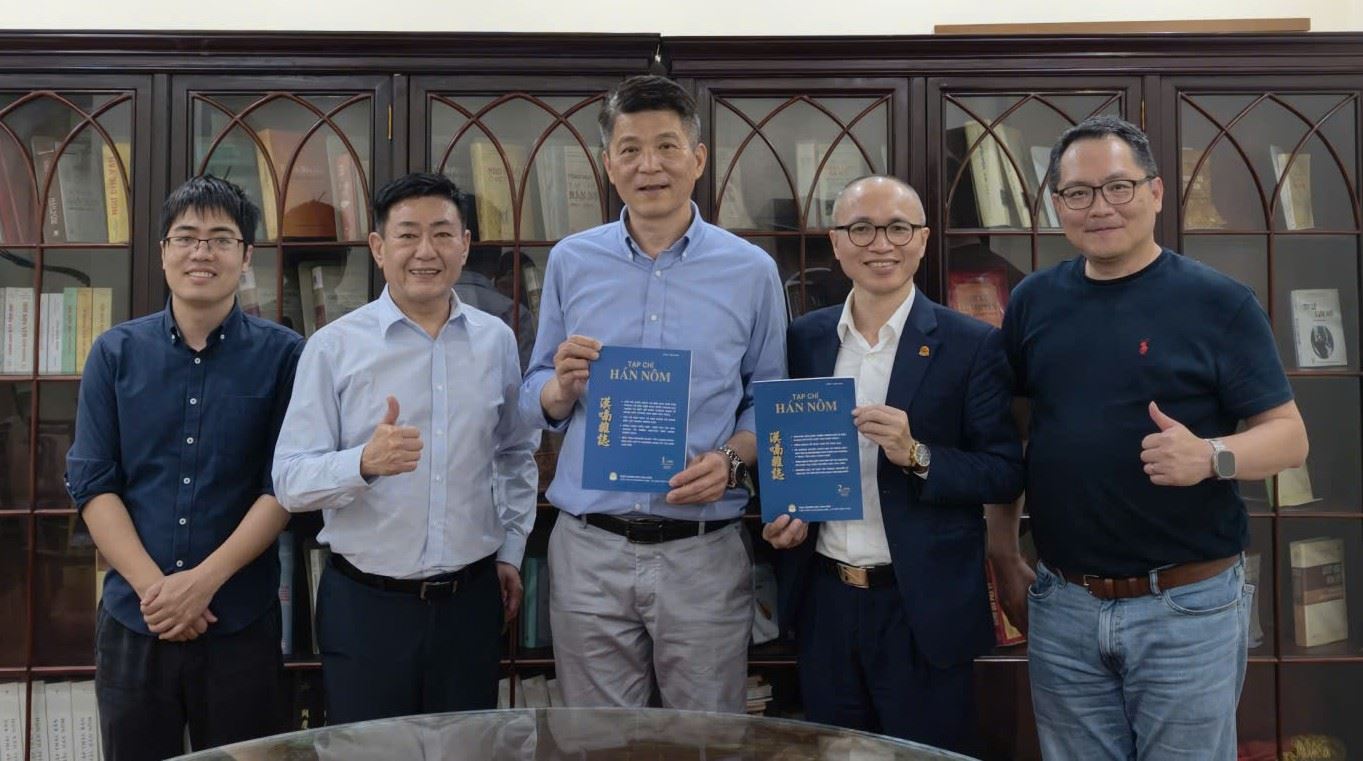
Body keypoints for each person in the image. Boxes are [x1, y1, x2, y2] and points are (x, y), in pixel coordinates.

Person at [989, 115, 1309, 760]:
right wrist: (1001, 554)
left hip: (1186, 607)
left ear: (1156, 192)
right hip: (1064, 603)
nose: (1099, 207)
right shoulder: (1033, 301)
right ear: (1057, 205)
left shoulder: (1220, 302)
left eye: (1119, 187)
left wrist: (1211, 456)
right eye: (1078, 193)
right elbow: (1013, 436)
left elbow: (1289, 438)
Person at [519, 74, 787, 712]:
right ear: (608, 163)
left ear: (698, 159)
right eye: (630, 149)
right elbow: (534, 393)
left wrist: (731, 460)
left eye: (667, 147)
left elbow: (770, 399)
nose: (650, 166)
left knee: (706, 739)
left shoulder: (751, 270)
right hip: (590, 550)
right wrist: (560, 387)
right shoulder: (570, 261)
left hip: (702, 550)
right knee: (599, 743)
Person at [762, 176, 1023, 752]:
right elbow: (782, 451)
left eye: (899, 229)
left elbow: (1004, 471)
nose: (881, 244)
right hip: (826, 600)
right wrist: (782, 519)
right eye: (862, 229)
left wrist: (918, 455)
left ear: (923, 240)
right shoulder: (804, 339)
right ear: (836, 242)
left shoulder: (970, 343)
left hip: (923, 607)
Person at [271, 172, 538, 723]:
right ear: (378, 247)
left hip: (470, 604)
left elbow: (514, 454)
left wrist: (511, 549)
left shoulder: (495, 340)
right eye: (408, 235)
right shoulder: (333, 347)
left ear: (465, 244)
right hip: (367, 609)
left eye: (442, 234)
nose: (425, 251)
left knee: (465, 750)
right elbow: (290, 481)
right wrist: (363, 463)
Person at [66, 176, 302, 760]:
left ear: (245, 256)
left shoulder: (285, 355)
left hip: (238, 620)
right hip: (135, 619)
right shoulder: (114, 354)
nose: (202, 252)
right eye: (187, 237)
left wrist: (200, 585)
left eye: (221, 239)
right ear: (163, 251)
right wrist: (160, 593)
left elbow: (283, 486)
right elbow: (93, 483)